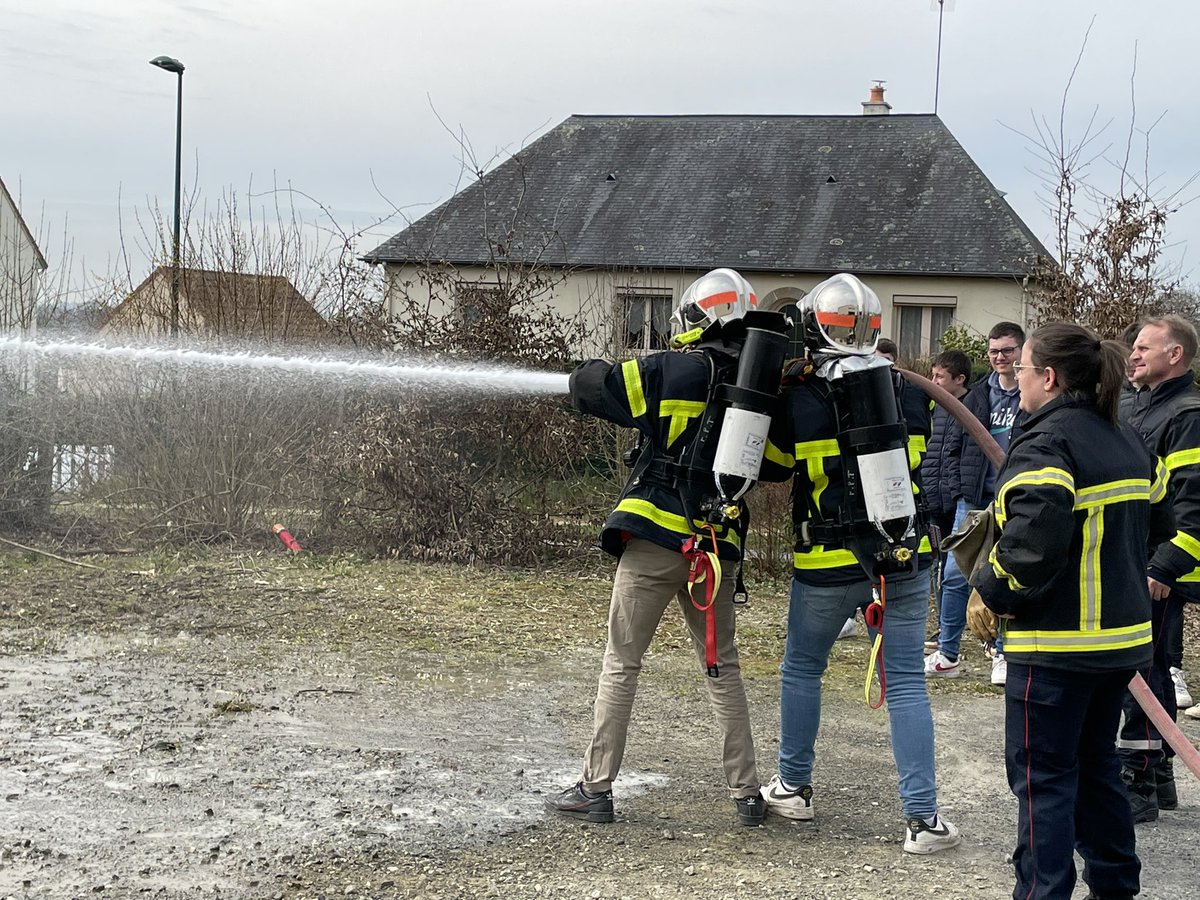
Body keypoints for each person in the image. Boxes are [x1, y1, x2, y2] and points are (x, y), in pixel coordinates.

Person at [544, 268, 770, 827]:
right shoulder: (761, 391)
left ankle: (595, 790)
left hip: (654, 540)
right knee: (722, 669)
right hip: (716, 551)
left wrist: (585, 370)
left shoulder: (672, 368)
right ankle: (747, 794)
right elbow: (778, 467)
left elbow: (596, 388)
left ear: (699, 317)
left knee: (622, 662)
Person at [758, 273, 960, 854]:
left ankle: (793, 787)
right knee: (905, 685)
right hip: (904, 557)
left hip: (825, 561)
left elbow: (769, 467)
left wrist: (780, 390)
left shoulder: (802, 396)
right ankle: (923, 820)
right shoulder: (911, 390)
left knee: (802, 667)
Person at [970, 323, 1165, 900]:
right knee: (1097, 768)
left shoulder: (1047, 444)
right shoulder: (1123, 436)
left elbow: (1032, 542)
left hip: (1055, 649)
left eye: (1024, 370)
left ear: (1048, 378)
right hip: (1120, 646)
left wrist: (992, 591)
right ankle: (1114, 887)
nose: (1018, 381)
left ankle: (1041, 893)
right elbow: (1159, 522)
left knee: (1044, 783)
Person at [1118, 314, 1200, 822]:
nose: (1133, 355)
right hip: (1133, 561)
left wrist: (1164, 568)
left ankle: (1139, 780)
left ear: (1176, 355)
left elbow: (1194, 501)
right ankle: (1162, 774)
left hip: (1158, 570)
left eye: (1145, 348)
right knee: (1146, 670)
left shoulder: (1188, 414)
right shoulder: (1135, 406)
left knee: (1144, 673)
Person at [926, 322, 1024, 685]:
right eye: (994, 351)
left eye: (1008, 350)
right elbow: (953, 445)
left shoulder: (1033, 394)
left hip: (1013, 499)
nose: (1000, 357)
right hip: (973, 499)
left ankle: (1002, 653)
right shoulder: (977, 396)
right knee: (954, 576)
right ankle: (947, 652)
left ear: (1021, 352)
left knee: (1005, 576)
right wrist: (957, 488)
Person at [920, 349, 972, 644]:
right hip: (932, 500)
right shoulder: (932, 407)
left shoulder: (973, 406)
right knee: (939, 563)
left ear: (959, 379)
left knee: (959, 567)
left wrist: (955, 488)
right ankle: (943, 624)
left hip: (957, 501)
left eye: (940, 376)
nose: (933, 381)